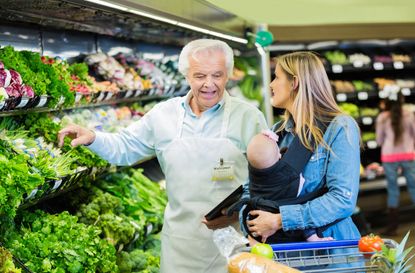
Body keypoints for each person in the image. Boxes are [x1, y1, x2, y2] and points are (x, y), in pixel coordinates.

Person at [58, 39, 267, 273]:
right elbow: (125, 147)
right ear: (187, 76)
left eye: (217, 75)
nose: (209, 84)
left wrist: (238, 214)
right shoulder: (164, 114)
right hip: (180, 244)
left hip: (233, 243)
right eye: (200, 76)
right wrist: (93, 137)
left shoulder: (249, 117)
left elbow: (267, 181)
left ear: (227, 75)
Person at [245, 51, 361, 266]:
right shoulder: (276, 132)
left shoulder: (339, 127)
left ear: (295, 83)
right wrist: (249, 221)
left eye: (277, 77)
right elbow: (257, 186)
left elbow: (342, 199)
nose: (271, 84)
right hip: (283, 254)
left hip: (329, 252)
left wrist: (280, 220)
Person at [246, 130, 332, 242]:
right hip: (289, 222)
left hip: (262, 226)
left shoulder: (254, 177)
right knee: (300, 205)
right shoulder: (287, 177)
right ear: (279, 154)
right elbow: (302, 186)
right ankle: (312, 237)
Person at [376, 91, 415, 236]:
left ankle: (392, 228)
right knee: (413, 188)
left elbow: (379, 140)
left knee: (393, 191)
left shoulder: (382, 117)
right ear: (401, 99)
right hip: (408, 155)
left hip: (389, 157)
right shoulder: (409, 114)